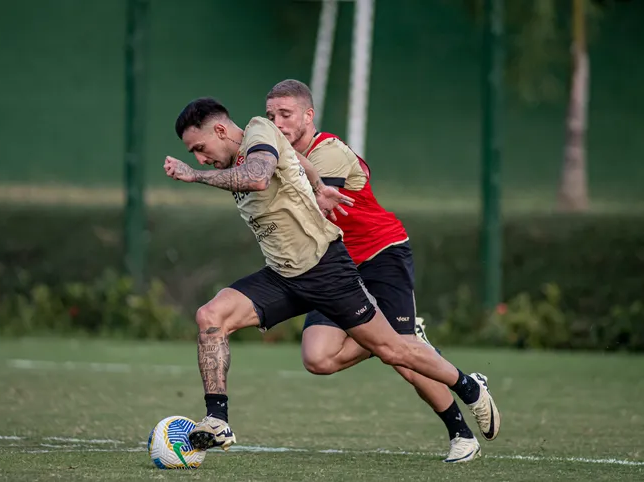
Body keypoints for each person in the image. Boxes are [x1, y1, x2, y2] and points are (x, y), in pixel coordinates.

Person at [163, 97, 500, 454]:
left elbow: (258, 178)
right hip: (283, 274)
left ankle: (469, 388)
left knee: (394, 349)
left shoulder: (258, 132)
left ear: (219, 129)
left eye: (199, 148)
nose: (199, 158)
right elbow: (299, 161)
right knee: (211, 316)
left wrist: (194, 175)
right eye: (193, 155)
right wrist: (319, 185)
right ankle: (217, 421)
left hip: (325, 269)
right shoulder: (247, 154)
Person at [264, 79, 495, 463]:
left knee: (401, 355)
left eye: (285, 114)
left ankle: (461, 434)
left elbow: (315, 206)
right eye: (271, 116)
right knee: (318, 359)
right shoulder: (276, 154)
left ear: (309, 115)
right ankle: (400, 336)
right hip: (335, 264)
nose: (278, 123)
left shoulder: (329, 153)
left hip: (380, 253)